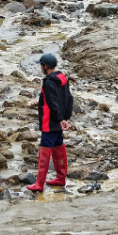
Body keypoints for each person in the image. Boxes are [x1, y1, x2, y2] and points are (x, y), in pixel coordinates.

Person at [27, 53, 73, 192]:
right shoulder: (63, 78)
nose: (40, 67)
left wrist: (59, 119)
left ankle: (39, 183)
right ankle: (60, 178)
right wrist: (65, 118)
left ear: (46, 66)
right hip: (59, 121)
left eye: (41, 65)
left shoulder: (48, 82)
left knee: (45, 150)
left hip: (50, 122)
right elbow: (69, 99)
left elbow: (52, 103)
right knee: (58, 146)